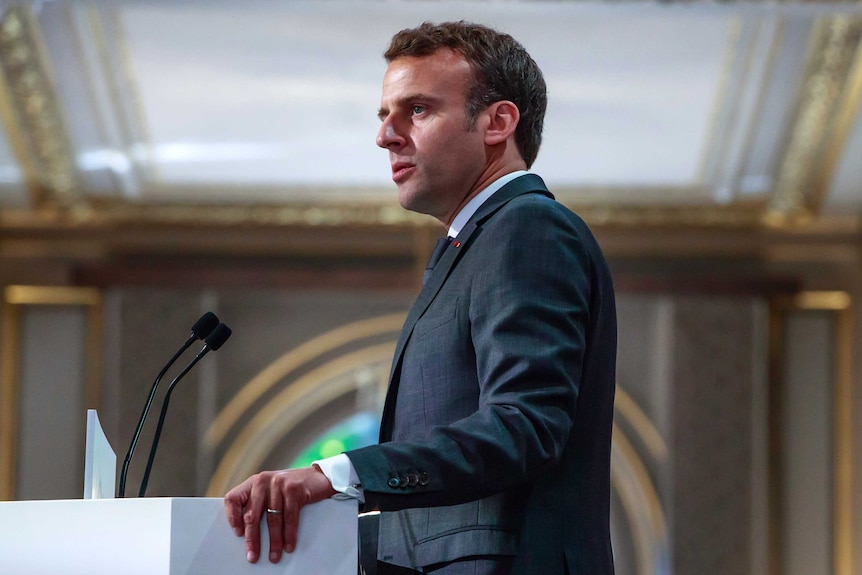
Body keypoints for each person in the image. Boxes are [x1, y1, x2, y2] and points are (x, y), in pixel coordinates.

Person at [224, 21, 617, 575]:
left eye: (417, 110)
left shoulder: (527, 228)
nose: (386, 136)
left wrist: (333, 475)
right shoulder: (477, 244)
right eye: (384, 116)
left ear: (497, 122)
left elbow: (523, 426)